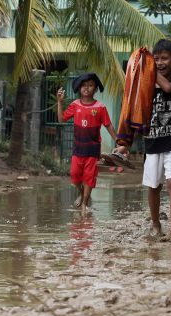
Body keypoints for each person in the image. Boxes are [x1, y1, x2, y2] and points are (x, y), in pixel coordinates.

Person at [114, 39, 171, 242]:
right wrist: (125, 144)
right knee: (153, 186)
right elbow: (135, 114)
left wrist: (146, 67)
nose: (159, 63)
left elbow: (167, 88)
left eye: (164, 59)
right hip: (153, 143)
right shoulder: (145, 86)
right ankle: (156, 224)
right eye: (155, 59)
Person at [56, 73, 117, 212]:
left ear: (95, 89)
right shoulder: (75, 105)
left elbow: (108, 125)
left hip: (93, 149)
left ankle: (84, 204)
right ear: (79, 88)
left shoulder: (101, 107)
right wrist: (59, 102)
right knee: (75, 175)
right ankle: (81, 191)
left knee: (89, 177)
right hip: (78, 148)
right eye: (84, 85)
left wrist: (118, 142)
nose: (86, 88)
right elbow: (61, 120)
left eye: (90, 85)